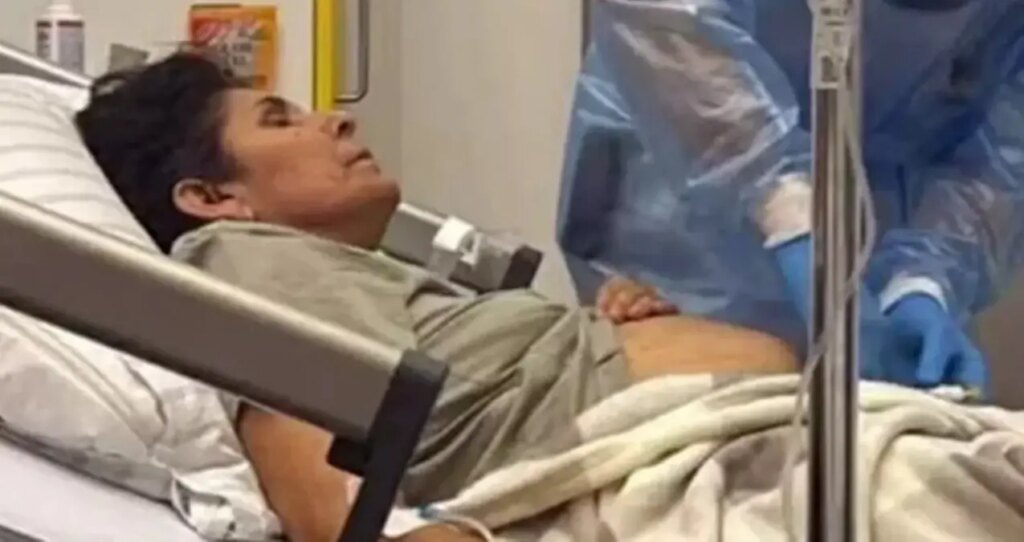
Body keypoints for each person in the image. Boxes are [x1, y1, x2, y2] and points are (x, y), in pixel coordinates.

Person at [75, 53, 799, 542]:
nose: (334, 120)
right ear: (211, 198)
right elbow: (327, 495)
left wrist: (622, 327)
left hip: (731, 440)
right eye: (280, 119)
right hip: (700, 470)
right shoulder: (241, 257)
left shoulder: (335, 274)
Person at [560, 0, 1024, 392]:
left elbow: (1004, 150)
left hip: (891, 209)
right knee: (716, 395)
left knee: (890, 419)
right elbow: (663, 18)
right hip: (684, 191)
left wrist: (925, 280)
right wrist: (788, 215)